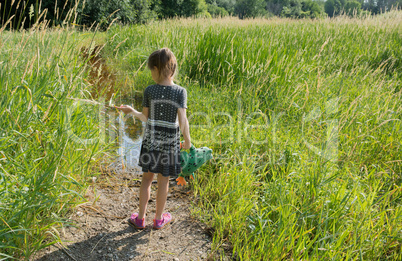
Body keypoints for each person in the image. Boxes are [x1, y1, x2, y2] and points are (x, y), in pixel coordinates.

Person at [115, 48, 191, 230]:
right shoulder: (180, 92)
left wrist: (132, 112)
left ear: (156, 68)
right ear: (172, 68)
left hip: (151, 142)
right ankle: (158, 219)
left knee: (147, 179)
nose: (151, 73)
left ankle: (140, 218)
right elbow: (182, 120)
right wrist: (187, 140)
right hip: (169, 144)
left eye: (151, 70)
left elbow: (145, 118)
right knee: (163, 181)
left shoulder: (150, 90)